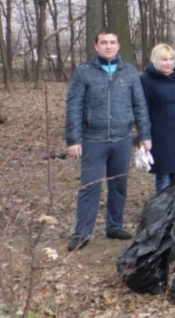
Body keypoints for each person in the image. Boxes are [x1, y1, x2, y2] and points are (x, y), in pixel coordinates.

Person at [65, 29, 151, 251]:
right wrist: (73, 140)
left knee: (119, 185)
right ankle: (82, 233)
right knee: (90, 186)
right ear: (96, 46)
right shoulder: (84, 72)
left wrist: (145, 136)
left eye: (112, 42)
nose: (108, 46)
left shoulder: (129, 72)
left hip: (122, 139)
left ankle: (114, 226)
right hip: (93, 140)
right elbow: (74, 106)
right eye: (104, 43)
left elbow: (140, 105)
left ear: (118, 45)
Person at [140, 44, 175, 193]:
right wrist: (145, 135)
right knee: (164, 177)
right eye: (164, 59)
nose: (169, 62)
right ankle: (163, 213)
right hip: (161, 136)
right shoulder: (146, 80)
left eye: (171, 59)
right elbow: (142, 110)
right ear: (156, 60)